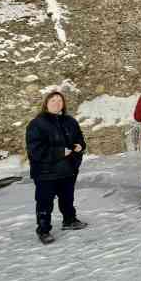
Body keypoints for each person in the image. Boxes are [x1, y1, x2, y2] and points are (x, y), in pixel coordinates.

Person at [25, 91, 88, 245]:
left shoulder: (70, 121)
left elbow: (79, 138)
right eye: (53, 100)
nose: (57, 103)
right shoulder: (37, 124)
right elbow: (35, 150)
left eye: (60, 100)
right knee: (44, 202)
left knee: (67, 199)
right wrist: (59, 152)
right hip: (45, 172)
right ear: (46, 103)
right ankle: (44, 230)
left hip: (67, 169)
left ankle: (69, 220)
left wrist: (81, 146)